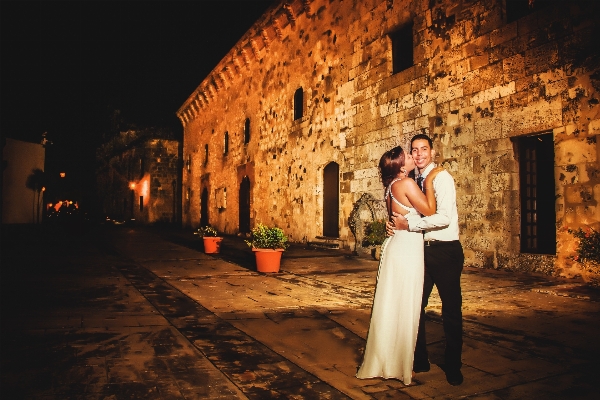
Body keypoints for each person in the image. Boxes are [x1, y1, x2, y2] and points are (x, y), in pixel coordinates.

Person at [356, 146, 442, 385]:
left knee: (393, 307)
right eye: (407, 154)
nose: (412, 155)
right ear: (401, 166)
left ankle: (390, 361)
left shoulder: (390, 187)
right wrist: (431, 181)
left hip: (396, 246)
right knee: (406, 307)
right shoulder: (406, 184)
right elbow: (430, 210)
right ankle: (401, 366)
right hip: (406, 250)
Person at [387, 134, 465, 386]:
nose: (419, 154)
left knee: (451, 310)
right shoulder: (412, 180)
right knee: (415, 306)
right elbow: (402, 208)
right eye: (414, 150)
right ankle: (421, 359)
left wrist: (407, 224)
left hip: (445, 251)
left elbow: (443, 217)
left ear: (432, 151)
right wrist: (393, 225)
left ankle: (453, 365)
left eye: (423, 149)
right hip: (421, 251)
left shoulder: (441, 177)